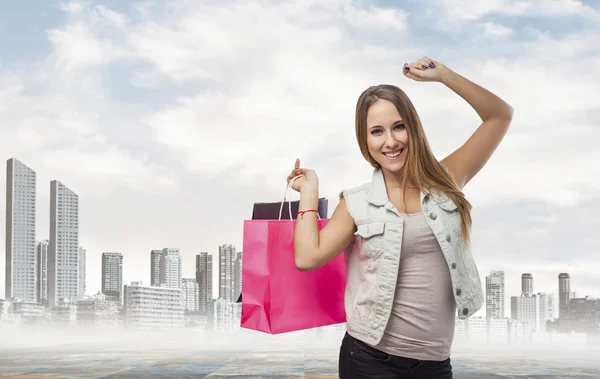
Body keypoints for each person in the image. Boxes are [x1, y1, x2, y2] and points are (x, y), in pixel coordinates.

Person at [287, 56, 513, 379]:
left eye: (398, 127)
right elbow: (307, 257)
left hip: (434, 365)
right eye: (377, 131)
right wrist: (309, 191)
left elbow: (500, 116)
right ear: (365, 141)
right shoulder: (357, 203)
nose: (390, 141)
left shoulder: (447, 180)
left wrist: (444, 76)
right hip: (368, 359)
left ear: (413, 128)